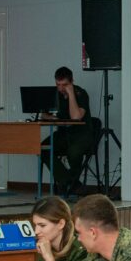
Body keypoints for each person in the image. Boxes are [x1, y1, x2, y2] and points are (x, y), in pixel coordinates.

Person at [40, 66, 93, 195]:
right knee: (43, 148)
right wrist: (51, 117)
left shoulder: (81, 94)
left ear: (71, 82)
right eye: (58, 84)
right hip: (63, 133)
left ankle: (68, 184)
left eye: (64, 85)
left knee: (73, 152)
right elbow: (43, 114)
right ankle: (70, 182)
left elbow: (76, 117)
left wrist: (71, 94)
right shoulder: (55, 94)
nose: (61, 88)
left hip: (81, 134)